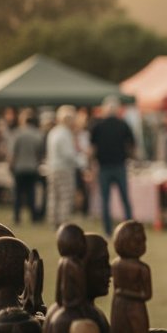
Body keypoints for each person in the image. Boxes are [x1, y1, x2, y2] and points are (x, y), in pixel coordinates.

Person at [90, 96, 136, 236]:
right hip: (119, 165)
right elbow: (132, 145)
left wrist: (92, 164)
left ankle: (108, 230)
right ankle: (130, 227)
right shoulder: (123, 124)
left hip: (104, 166)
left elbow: (93, 148)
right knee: (125, 198)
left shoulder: (98, 126)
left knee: (105, 200)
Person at [7, 108, 44, 224]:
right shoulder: (38, 134)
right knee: (31, 193)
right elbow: (40, 154)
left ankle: (17, 217)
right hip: (32, 168)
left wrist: (10, 165)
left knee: (18, 194)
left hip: (19, 168)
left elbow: (13, 153)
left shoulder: (17, 133)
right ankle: (33, 217)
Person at [45, 106, 79, 228]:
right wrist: (81, 162)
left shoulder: (53, 132)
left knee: (54, 196)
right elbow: (68, 154)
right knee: (65, 197)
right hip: (64, 169)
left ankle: (53, 221)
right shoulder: (65, 133)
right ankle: (63, 223)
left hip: (52, 168)